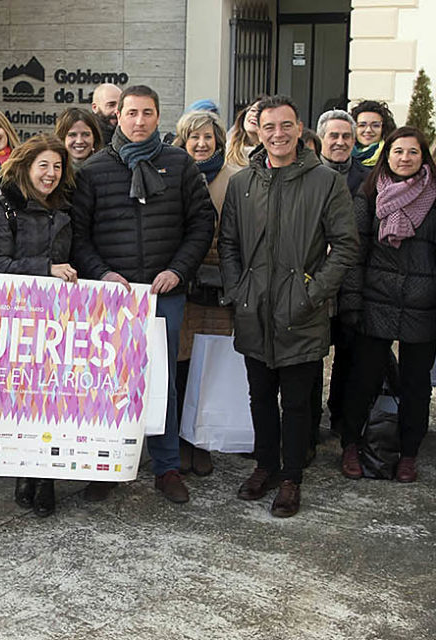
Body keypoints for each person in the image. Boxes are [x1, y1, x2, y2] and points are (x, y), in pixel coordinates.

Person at [71, 85, 216, 505]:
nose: (138, 120)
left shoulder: (181, 164)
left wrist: (178, 270)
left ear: (158, 116)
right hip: (111, 298)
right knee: (109, 382)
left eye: (147, 113)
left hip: (162, 293)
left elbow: (201, 224)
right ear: (119, 117)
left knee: (162, 382)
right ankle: (108, 463)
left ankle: (166, 466)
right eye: (131, 112)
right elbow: (78, 234)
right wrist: (101, 272)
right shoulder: (95, 170)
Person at [218, 95, 358, 518]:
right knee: (259, 395)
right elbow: (228, 243)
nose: (276, 134)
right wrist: (238, 288)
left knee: (297, 402)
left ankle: (291, 477)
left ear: (299, 129)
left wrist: (313, 294)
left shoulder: (325, 181)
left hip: (301, 312)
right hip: (254, 309)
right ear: (255, 131)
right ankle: (265, 465)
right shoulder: (244, 182)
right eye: (268, 127)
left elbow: (346, 245)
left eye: (285, 126)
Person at [338, 127, 436, 483]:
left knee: (415, 385)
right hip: (374, 303)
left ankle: (409, 453)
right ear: (387, 155)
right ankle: (351, 445)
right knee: (362, 379)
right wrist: (351, 301)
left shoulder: (435, 197)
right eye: (398, 151)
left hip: (421, 308)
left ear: (422, 157)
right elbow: (354, 252)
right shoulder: (368, 194)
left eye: (412, 152)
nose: (405, 158)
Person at [0, 134, 75, 516]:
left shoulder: (67, 210)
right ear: (25, 167)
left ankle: (46, 478)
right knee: (21, 402)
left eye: (57, 166)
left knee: (52, 402)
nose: (51, 174)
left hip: (57, 322)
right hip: (16, 320)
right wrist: (46, 270)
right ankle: (24, 471)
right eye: (44, 166)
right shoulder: (2, 211)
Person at [171, 109, 238, 477]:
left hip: (217, 286)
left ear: (218, 141)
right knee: (182, 364)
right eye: (193, 137)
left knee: (210, 366)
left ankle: (203, 442)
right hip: (182, 281)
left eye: (208, 137)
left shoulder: (235, 179)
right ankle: (181, 439)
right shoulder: (173, 174)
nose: (201, 143)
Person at [314, 109, 373, 447]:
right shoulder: (307, 175)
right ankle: (310, 420)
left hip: (353, 282)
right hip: (316, 279)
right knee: (311, 356)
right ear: (322, 138)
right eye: (333, 136)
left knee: (347, 354)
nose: (340, 142)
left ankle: (338, 416)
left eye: (346, 136)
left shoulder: (368, 179)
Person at [350, 100, 397, 168]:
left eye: (375, 125)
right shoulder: (343, 156)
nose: (368, 130)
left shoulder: (391, 158)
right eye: (362, 125)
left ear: (384, 128)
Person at [225, 97, 265, 168]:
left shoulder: (271, 154)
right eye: (253, 110)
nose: (255, 115)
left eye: (261, 113)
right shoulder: (226, 149)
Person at [91, 83, 123, 147]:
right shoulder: (87, 137)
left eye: (120, 105)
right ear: (95, 108)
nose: (117, 110)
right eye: (111, 105)